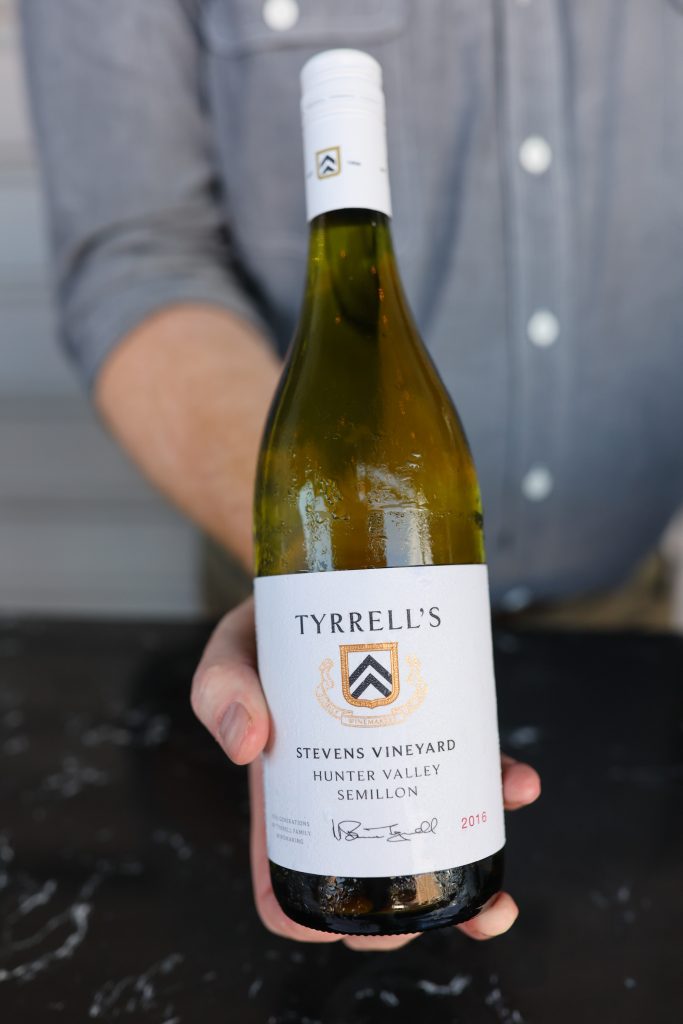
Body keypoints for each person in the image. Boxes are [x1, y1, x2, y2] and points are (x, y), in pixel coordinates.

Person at [21, 1, 682, 949]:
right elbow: (136, 256)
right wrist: (304, 592)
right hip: (297, 654)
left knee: (605, 950)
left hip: (625, 636)